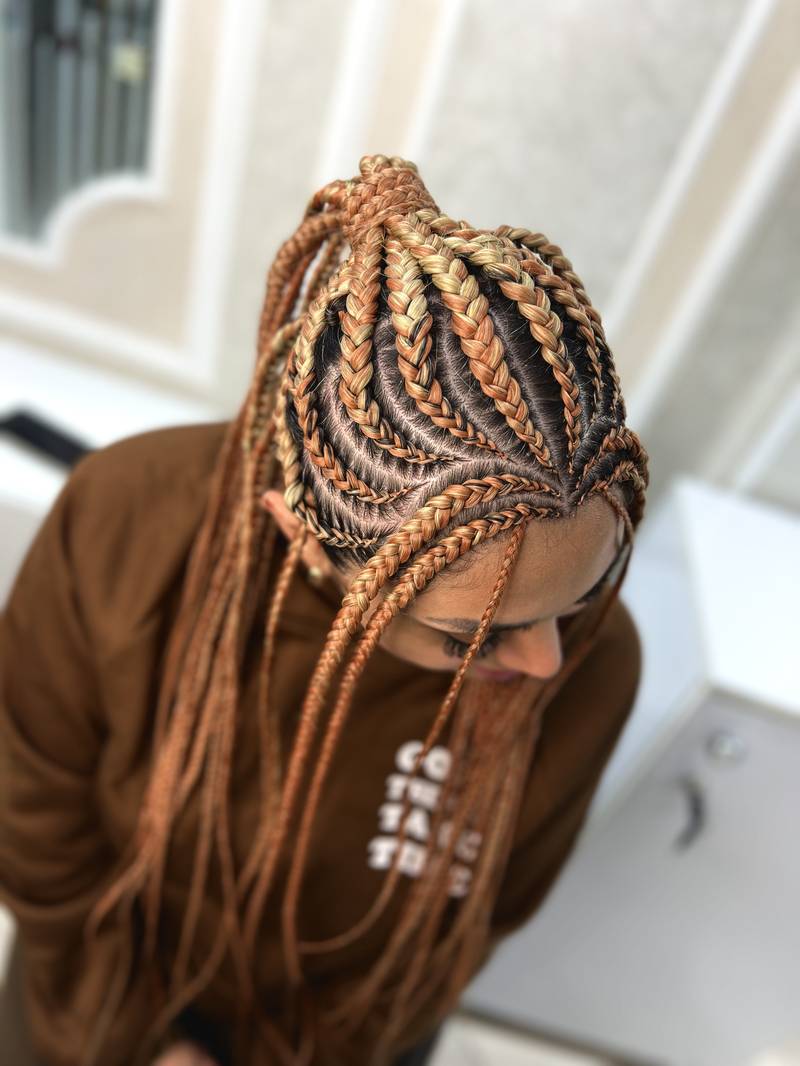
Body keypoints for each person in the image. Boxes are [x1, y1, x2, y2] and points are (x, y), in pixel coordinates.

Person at [0, 155, 649, 1066]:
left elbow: (483, 918)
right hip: (94, 1011)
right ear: (301, 539)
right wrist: (139, 1042)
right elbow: (33, 824)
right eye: (474, 636)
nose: (547, 660)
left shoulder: (599, 661)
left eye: (581, 598)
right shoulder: (125, 524)